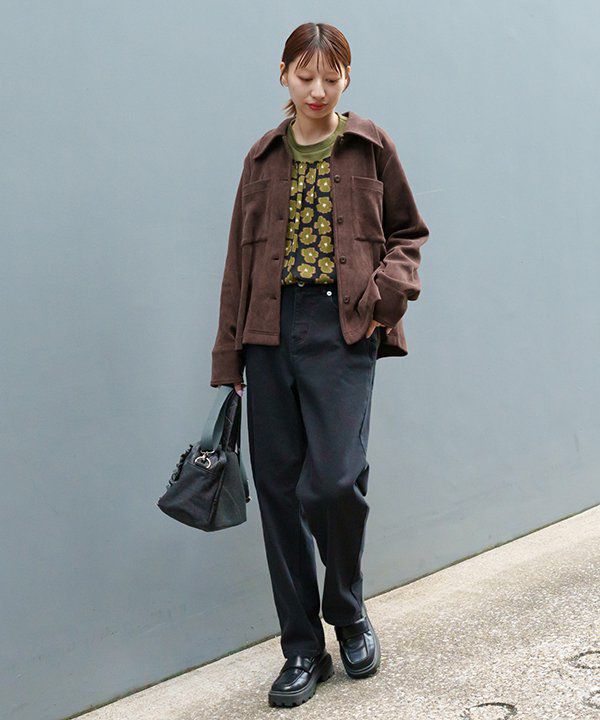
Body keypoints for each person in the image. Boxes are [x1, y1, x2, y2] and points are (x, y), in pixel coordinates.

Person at [210, 22, 429, 708]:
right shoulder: (261, 157)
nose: (317, 90)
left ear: (347, 79)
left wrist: (381, 301)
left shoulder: (370, 145)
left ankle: (348, 610)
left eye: (331, 77)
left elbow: (409, 234)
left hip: (343, 328)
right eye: (305, 76)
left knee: (334, 482)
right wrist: (229, 353)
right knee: (279, 492)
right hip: (268, 332)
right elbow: (239, 260)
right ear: (283, 74)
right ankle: (302, 649)